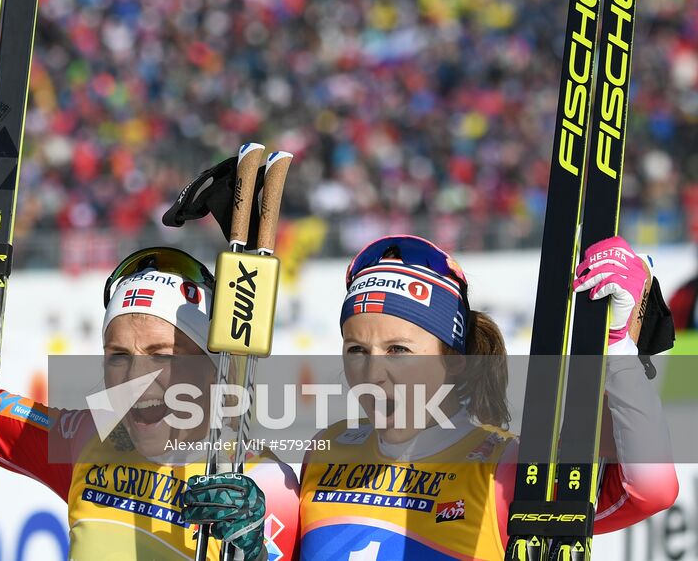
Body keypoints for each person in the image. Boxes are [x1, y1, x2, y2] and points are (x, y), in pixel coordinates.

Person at [0, 143, 299, 561]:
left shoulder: (264, 483)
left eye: (163, 355)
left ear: (213, 366)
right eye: (118, 355)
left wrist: (256, 553)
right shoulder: (89, 437)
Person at [289, 234, 678, 560]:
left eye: (399, 351)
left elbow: (648, 490)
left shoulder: (504, 467)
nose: (372, 376)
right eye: (356, 350)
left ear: (455, 360)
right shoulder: (327, 449)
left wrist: (616, 348)